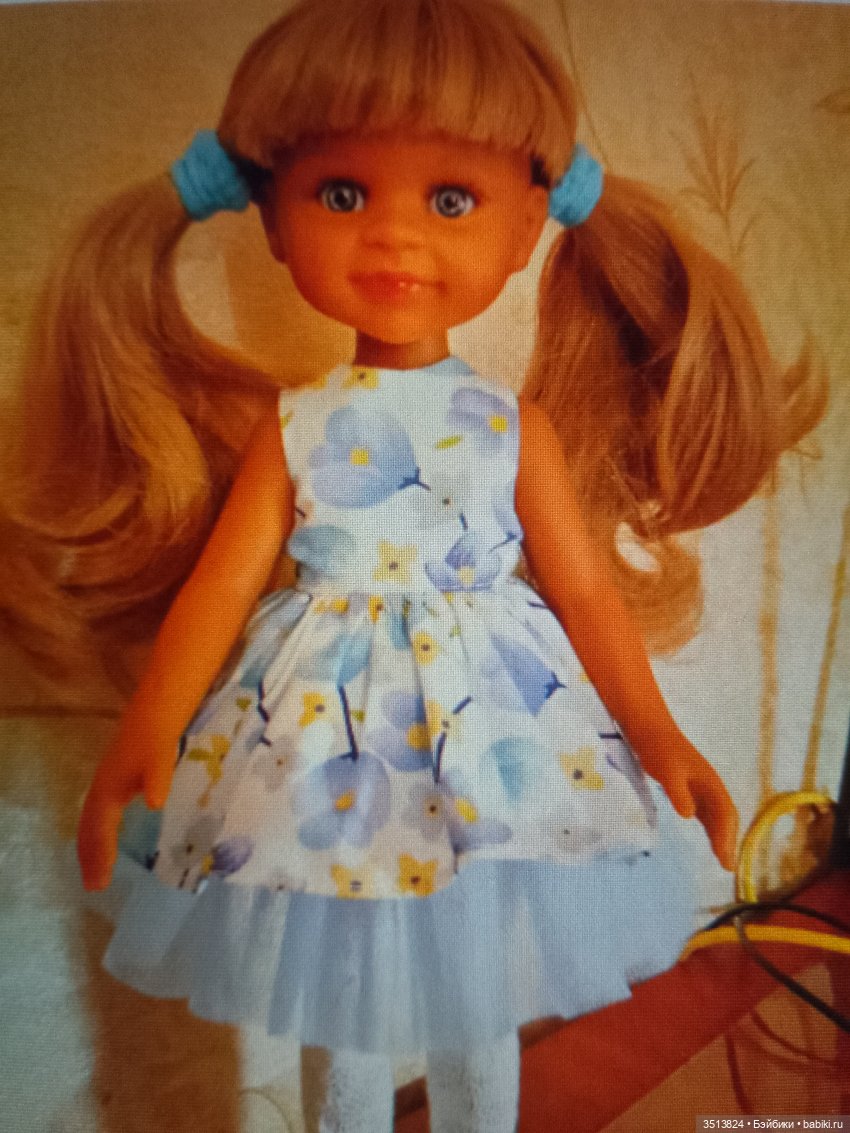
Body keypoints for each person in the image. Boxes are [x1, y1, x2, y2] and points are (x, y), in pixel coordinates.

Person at [7, 1, 823, 1129]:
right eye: (343, 194)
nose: (395, 238)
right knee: (341, 1008)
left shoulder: (514, 427)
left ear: (527, 226)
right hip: (323, 747)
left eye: (450, 200)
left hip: (494, 744)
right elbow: (221, 588)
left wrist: (658, 732)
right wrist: (146, 731)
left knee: (477, 1000)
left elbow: (583, 590)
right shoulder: (292, 425)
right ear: (274, 219)